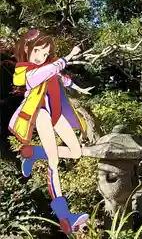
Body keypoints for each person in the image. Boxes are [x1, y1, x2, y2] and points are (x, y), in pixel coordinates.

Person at [8, 29, 94, 235]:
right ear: (27, 49)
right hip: (40, 115)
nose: (42, 56)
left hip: (56, 114)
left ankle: (35, 153)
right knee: (54, 163)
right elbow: (46, 72)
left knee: (76, 152)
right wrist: (69, 57)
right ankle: (65, 217)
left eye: (46, 54)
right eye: (38, 51)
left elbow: (60, 78)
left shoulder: (48, 68)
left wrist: (79, 88)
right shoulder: (24, 71)